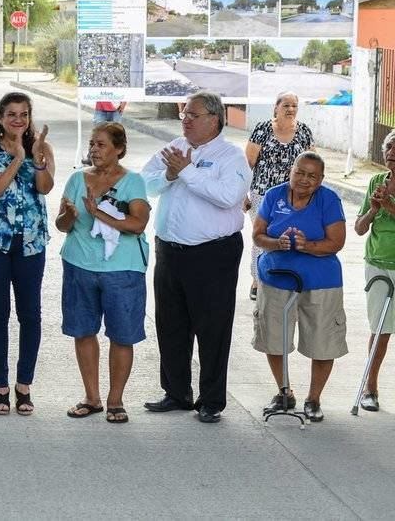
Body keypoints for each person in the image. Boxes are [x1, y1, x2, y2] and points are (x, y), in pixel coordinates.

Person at [141, 90, 250, 424]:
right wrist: (170, 175)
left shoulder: (232, 156)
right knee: (171, 324)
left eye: (193, 115)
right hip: (170, 251)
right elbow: (144, 183)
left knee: (212, 327)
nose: (185, 120)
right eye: (183, 114)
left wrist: (187, 172)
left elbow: (228, 196)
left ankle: (212, 399)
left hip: (212, 255)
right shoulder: (175, 148)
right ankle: (177, 392)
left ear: (214, 120)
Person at [55, 123, 150, 424]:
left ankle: (115, 401)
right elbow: (61, 225)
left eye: (101, 145)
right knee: (83, 331)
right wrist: (69, 217)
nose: (94, 150)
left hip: (122, 270)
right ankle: (92, 397)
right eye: (92, 144)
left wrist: (98, 213)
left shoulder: (133, 182)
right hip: (79, 265)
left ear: (119, 149)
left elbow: (138, 224)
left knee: (122, 335)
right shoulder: (76, 179)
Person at [0, 92, 53, 417]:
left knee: (30, 315)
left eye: (23, 114)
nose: (18, 120)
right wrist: (19, 159)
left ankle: (24, 386)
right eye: (11, 114)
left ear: (29, 117)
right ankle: (1, 387)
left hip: (31, 244)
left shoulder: (41, 147)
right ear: (1, 118)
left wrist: (38, 160)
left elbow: (45, 188)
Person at [252, 152, 346, 422]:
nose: (304, 180)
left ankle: (313, 398)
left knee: (323, 341)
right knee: (273, 337)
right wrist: (275, 242)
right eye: (300, 172)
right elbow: (258, 234)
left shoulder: (329, 199)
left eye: (312, 176)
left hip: (321, 282)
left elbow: (336, 242)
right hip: (276, 278)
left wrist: (309, 246)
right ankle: (284, 391)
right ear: (291, 171)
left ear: (321, 179)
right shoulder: (274, 195)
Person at [245, 92, 314, 299]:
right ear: (276, 107)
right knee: (263, 236)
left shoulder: (304, 132)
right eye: (286, 105)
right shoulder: (262, 129)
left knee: (290, 236)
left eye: (294, 105)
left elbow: (312, 164)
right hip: (262, 194)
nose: (290, 109)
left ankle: (285, 277)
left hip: (294, 197)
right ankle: (258, 280)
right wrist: (242, 194)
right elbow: (247, 163)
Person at [355, 131, 395, 412]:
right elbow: (358, 228)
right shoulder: (375, 182)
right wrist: (373, 210)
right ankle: (370, 387)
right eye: (389, 147)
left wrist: (390, 206)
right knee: (379, 328)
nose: (391, 151)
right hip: (378, 263)